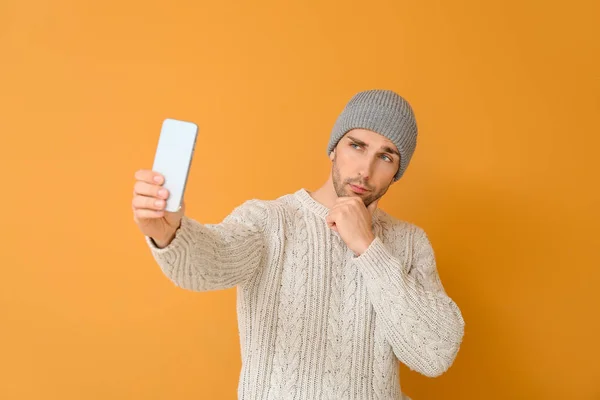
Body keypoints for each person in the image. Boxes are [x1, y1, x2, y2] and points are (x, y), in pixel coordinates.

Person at [132, 89, 465, 399]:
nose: (365, 170)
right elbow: (209, 264)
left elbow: (434, 354)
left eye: (386, 157)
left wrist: (368, 247)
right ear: (334, 147)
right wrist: (169, 233)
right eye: (357, 146)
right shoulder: (270, 220)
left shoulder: (409, 242)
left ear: (397, 172)